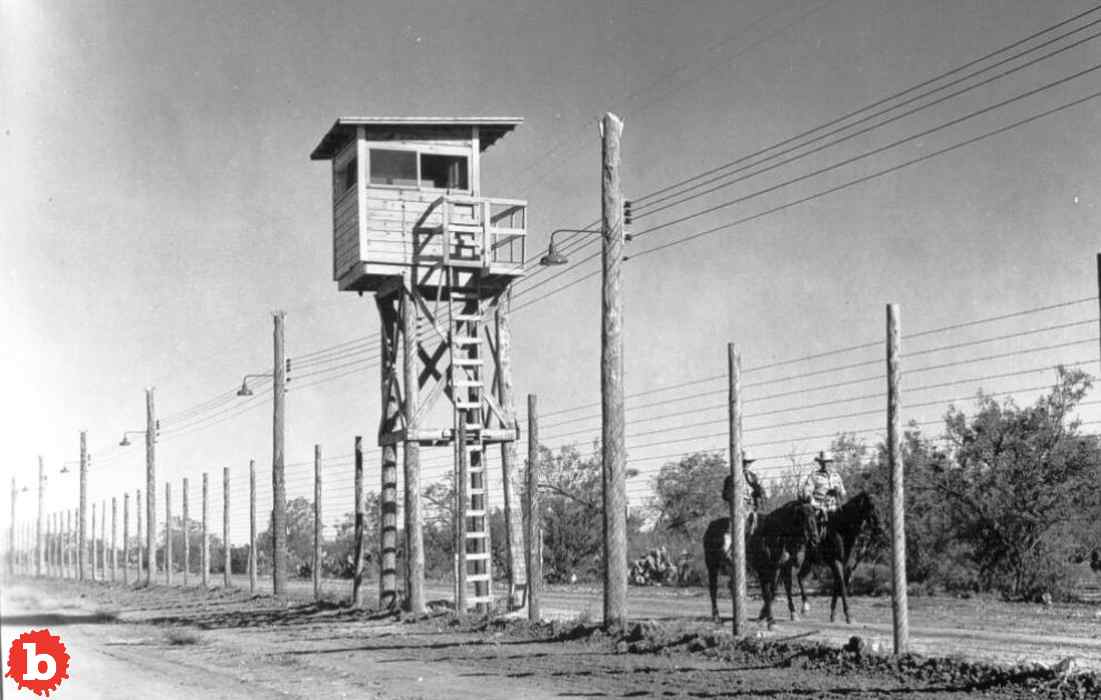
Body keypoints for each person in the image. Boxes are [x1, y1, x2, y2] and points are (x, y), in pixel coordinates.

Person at [721, 449, 766, 551]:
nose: (747, 465)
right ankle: (728, 551)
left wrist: (757, 489)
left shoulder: (753, 477)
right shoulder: (730, 478)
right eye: (744, 462)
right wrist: (736, 497)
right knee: (733, 529)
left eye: (748, 462)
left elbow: (760, 493)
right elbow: (725, 495)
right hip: (738, 510)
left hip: (752, 508)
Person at [801, 451, 846, 546]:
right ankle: (814, 545)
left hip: (835, 508)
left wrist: (838, 491)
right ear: (821, 463)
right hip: (819, 508)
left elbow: (843, 493)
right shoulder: (814, 476)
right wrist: (815, 504)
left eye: (828, 462)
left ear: (831, 463)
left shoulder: (836, 476)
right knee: (813, 525)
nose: (826, 464)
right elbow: (806, 493)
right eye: (824, 462)